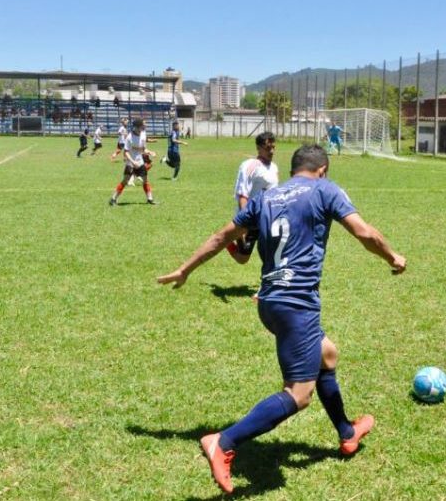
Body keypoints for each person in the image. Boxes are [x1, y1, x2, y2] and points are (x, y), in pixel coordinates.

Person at [157, 144, 406, 494]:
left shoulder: (266, 198)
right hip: (296, 303)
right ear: (323, 169)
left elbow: (221, 237)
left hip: (270, 302)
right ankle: (223, 442)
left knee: (327, 354)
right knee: (298, 394)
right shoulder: (324, 189)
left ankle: (347, 432)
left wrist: (185, 269)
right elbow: (364, 233)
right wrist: (393, 256)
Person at [227, 132, 279, 264]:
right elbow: (242, 196)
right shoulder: (250, 166)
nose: (272, 151)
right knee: (242, 258)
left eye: (273, 147)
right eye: (268, 148)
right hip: (250, 218)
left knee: (274, 253)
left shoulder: (274, 168)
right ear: (258, 148)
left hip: (268, 218)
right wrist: (244, 223)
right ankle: (227, 240)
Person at [108, 118, 157, 205]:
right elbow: (126, 152)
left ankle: (150, 199)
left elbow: (143, 149)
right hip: (130, 163)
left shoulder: (143, 135)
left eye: (142, 126)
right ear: (136, 127)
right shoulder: (129, 137)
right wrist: (133, 162)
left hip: (140, 162)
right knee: (125, 181)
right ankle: (113, 199)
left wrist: (150, 152)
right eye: (140, 126)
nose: (142, 128)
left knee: (145, 180)